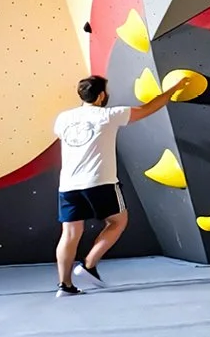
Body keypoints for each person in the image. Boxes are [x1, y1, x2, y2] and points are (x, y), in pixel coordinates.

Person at [53, 74, 182, 296]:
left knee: (70, 233)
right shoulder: (109, 115)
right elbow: (148, 109)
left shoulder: (63, 118)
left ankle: (65, 285)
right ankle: (89, 265)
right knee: (118, 221)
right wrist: (173, 89)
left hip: (68, 185)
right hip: (100, 182)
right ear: (101, 95)